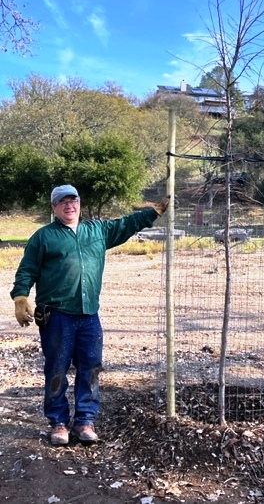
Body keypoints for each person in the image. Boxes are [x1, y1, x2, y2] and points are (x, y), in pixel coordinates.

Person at [10, 184, 169, 446]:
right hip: (57, 316)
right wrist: (20, 297)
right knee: (57, 368)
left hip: (89, 315)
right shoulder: (43, 237)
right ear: (54, 208)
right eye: (63, 202)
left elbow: (125, 224)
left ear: (79, 204)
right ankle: (58, 422)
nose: (69, 206)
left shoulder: (97, 231)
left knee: (91, 367)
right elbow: (27, 270)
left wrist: (153, 212)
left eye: (73, 201)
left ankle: (85, 420)